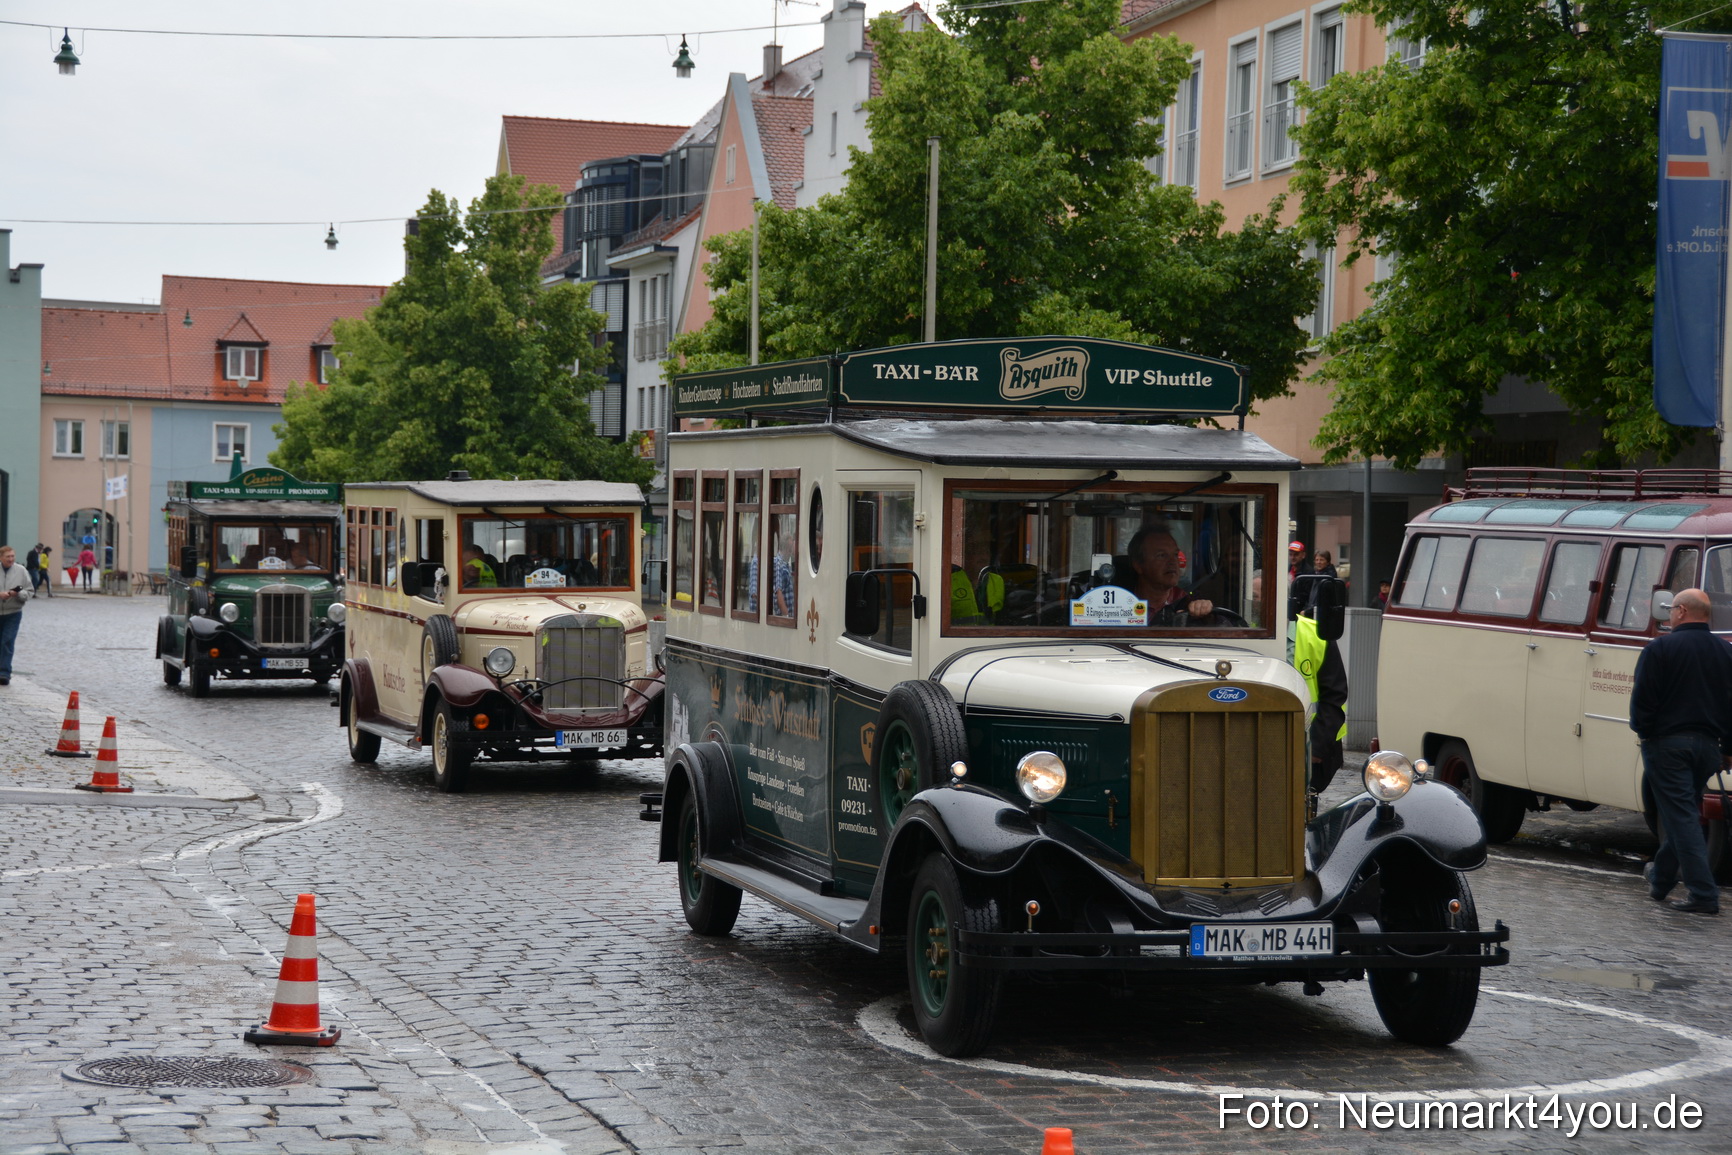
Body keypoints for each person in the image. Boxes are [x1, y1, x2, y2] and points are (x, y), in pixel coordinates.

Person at [1630, 588, 1732, 914]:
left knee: (1682, 817)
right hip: (1708, 748)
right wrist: (1727, 749)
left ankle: (1703, 894)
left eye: (1671, 608)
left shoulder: (1660, 648)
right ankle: (1660, 879)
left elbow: (1643, 700)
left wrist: (1645, 733)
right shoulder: (1726, 652)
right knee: (1682, 814)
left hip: (1667, 744)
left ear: (1682, 612)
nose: (1669, 614)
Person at [1127, 524, 1219, 625]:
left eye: (1175, 555)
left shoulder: (1187, 603)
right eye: (1161, 555)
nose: (1173, 562)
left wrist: (1207, 615)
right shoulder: (1120, 601)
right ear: (1138, 565)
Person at [0, 545, 32, 685]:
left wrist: (18, 593)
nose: (11, 559)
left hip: (13, 612)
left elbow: (30, 591)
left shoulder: (21, 571)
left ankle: (4, 673)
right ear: (1, 557)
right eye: (8, 557)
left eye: (12, 556)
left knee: (7, 641)